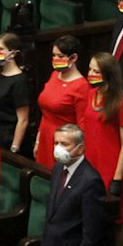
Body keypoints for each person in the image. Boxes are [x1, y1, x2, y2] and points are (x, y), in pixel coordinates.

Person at [39, 124, 105, 246]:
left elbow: (92, 229)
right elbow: (52, 212)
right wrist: (44, 245)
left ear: (80, 149)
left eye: (65, 144)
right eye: (56, 143)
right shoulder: (57, 168)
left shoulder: (91, 181)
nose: (58, 148)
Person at [76, 51, 123, 221]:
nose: (90, 74)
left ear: (108, 74)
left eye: (96, 71)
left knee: (115, 220)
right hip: (90, 164)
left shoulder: (122, 103)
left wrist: (116, 178)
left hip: (111, 168)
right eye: (90, 70)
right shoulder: (90, 94)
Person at [34, 36, 91, 168]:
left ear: (73, 58)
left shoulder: (81, 86)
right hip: (45, 137)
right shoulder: (54, 75)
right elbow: (46, 112)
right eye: (54, 55)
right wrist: (38, 140)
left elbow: (82, 125)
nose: (55, 60)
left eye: (60, 56)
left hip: (64, 143)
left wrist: (72, 151)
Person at [0, 33, 32, 155]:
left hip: (7, 137)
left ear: (13, 53)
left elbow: (23, 120)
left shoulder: (19, 81)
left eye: (0, 49)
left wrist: (14, 148)